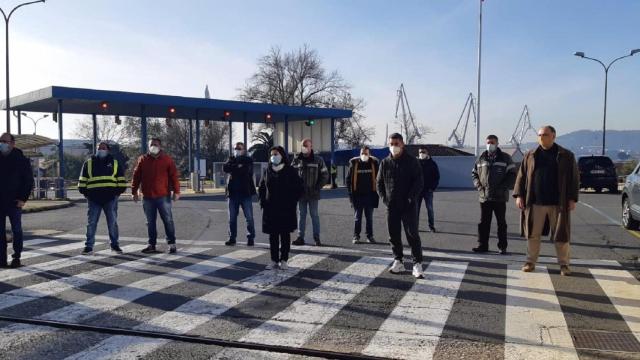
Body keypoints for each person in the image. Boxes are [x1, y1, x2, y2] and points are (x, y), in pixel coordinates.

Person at [513, 126, 579, 276]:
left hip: (558, 203)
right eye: (540, 135)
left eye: (545, 135)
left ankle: (564, 264)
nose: (542, 137)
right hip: (535, 202)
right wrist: (519, 196)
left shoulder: (566, 155)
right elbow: (521, 176)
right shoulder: (530, 155)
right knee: (532, 234)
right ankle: (530, 262)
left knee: (561, 234)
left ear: (554, 136)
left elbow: (574, 179)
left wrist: (572, 198)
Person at [377, 133, 425, 279]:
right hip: (392, 205)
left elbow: (419, 182)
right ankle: (398, 260)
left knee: (412, 234)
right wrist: (385, 199)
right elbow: (379, 183)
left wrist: (411, 198)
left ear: (402, 144)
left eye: (396, 144)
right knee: (394, 234)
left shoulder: (412, 162)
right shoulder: (385, 162)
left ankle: (417, 264)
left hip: (408, 205)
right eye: (391, 144)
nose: (394, 147)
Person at [132, 138, 181, 254]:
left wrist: (177, 192)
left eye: (156, 144)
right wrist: (134, 192)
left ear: (160, 146)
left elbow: (174, 176)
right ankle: (151, 245)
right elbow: (136, 176)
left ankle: (172, 244)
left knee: (168, 220)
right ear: (148, 146)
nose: (153, 146)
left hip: (163, 196)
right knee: (150, 222)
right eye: (151, 144)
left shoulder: (167, 160)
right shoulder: (142, 160)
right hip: (147, 197)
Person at [78, 142, 128, 255]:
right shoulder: (88, 163)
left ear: (108, 150)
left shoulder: (114, 162)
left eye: (103, 148)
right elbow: (82, 180)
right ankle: (89, 247)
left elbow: (121, 179)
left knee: (112, 223)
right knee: (91, 223)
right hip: (93, 199)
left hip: (110, 198)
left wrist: (117, 193)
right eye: (99, 148)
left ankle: (115, 245)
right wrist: (86, 193)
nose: (101, 149)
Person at [259, 146, 304, 270]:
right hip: (270, 208)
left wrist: (293, 201)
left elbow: (299, 187)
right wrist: (262, 202)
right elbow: (262, 187)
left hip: (286, 208)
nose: (274, 156)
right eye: (272, 154)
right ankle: (274, 260)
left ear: (282, 155)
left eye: (276, 154)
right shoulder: (268, 170)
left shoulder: (290, 170)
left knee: (284, 235)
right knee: (273, 235)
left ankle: (284, 259)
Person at [471, 135, 516, 255]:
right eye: (488, 142)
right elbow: (474, 174)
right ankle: (482, 245)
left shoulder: (505, 158)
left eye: (492, 142)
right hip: (484, 197)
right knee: (483, 223)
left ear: (497, 144)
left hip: (499, 197)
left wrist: (502, 187)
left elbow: (512, 175)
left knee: (501, 223)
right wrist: (479, 187)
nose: (489, 144)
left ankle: (502, 246)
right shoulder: (481, 158)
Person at [0, 133, 34, 268]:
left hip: (15, 201)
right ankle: (1, 259)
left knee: (17, 230)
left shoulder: (21, 160)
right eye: (1, 141)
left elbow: (28, 181)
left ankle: (16, 257)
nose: (2, 143)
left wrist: (22, 199)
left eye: (5, 141)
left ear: (13, 143)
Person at [291, 138, 329, 246]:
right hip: (301, 194)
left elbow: (325, 175)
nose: (304, 147)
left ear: (311, 147)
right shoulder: (297, 159)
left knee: (314, 215)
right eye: (303, 145)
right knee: (301, 215)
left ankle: (317, 238)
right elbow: (291, 175)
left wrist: (317, 187)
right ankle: (300, 238)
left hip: (313, 194)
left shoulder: (318, 160)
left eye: (306, 145)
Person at [223, 142, 256, 247]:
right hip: (232, 194)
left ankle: (250, 238)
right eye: (236, 148)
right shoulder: (231, 158)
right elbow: (225, 168)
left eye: (239, 148)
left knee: (249, 218)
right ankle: (232, 238)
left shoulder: (248, 160)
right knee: (231, 218)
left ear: (244, 150)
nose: (237, 149)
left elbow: (245, 170)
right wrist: (237, 166)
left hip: (245, 193)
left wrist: (234, 168)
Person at [347, 146, 379, 244]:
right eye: (362, 153)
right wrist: (351, 195)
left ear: (369, 154)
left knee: (369, 218)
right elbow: (348, 180)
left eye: (366, 153)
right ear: (359, 154)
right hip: (357, 196)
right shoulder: (354, 164)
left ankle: (370, 236)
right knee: (357, 218)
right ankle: (356, 236)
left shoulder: (374, 164)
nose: (364, 155)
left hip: (370, 196)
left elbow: (379, 179)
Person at [417, 146, 440, 233]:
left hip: (428, 191)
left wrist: (432, 188)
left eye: (423, 152)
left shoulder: (432, 163)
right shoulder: (416, 163)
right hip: (417, 191)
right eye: (420, 152)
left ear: (427, 153)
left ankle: (431, 226)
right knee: (416, 210)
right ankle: (415, 226)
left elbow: (436, 177)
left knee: (430, 209)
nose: (421, 153)